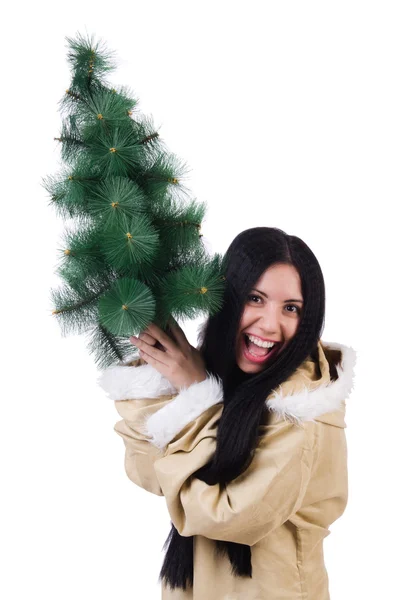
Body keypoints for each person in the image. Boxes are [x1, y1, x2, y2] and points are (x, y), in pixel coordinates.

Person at [98, 226, 356, 600]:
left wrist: (196, 396)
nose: (270, 324)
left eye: (290, 308)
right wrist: (166, 377)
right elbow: (148, 472)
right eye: (255, 298)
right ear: (227, 297)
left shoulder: (301, 410)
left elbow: (226, 515)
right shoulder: (224, 373)